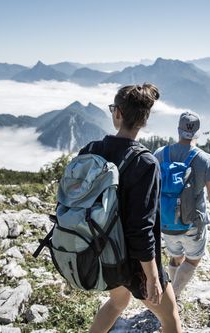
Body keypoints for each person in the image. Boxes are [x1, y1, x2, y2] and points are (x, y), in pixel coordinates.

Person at [84, 84, 182, 333]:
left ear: (117, 113)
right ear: (144, 120)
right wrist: (152, 278)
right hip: (134, 264)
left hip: (101, 251)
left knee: (118, 302)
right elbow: (141, 229)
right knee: (170, 318)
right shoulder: (145, 163)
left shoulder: (91, 150)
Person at [154, 111, 210, 299]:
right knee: (193, 260)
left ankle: (170, 293)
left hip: (166, 221)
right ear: (197, 132)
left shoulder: (159, 154)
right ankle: (172, 297)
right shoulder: (207, 160)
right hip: (193, 224)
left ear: (178, 129)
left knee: (175, 256)